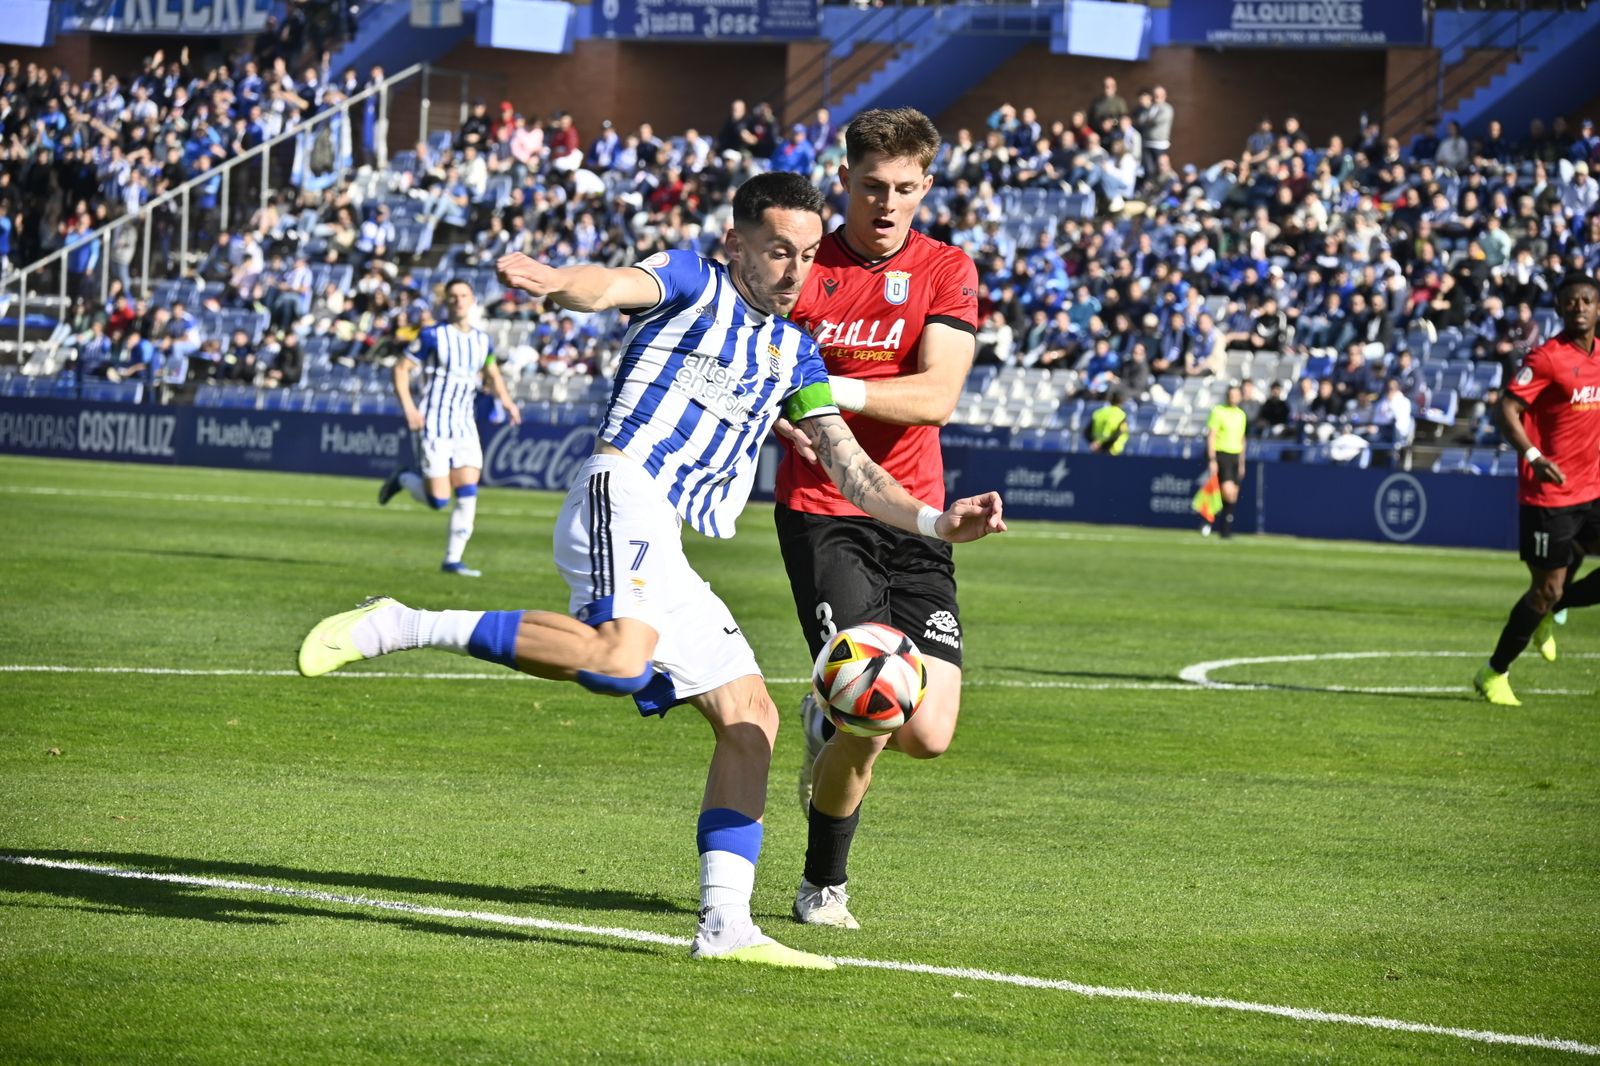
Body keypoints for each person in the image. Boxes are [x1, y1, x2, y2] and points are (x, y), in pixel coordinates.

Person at [297, 172, 1006, 969]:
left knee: (751, 718)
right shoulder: (690, 279)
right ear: (735, 243)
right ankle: (401, 622)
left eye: (808, 255)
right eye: (778, 250)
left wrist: (936, 520)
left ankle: (725, 924)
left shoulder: (794, 352)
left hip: (666, 538)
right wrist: (562, 283)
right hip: (623, 486)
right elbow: (611, 285)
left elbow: (851, 468)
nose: (795, 270)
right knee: (619, 658)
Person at [770, 107, 982, 932]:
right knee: (877, 705)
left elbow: (938, 396)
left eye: (903, 189)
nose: (886, 204)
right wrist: (784, 417)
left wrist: (825, 394)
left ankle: (822, 711)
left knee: (929, 733)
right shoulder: (805, 268)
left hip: (918, 516)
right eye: (870, 187)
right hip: (823, 512)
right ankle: (823, 887)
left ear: (925, 185)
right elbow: (759, 380)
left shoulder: (945, 268)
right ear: (844, 181)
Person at [1474, 272, 1600, 706]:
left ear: (1598, 308)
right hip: (1550, 496)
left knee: (1557, 591)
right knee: (1544, 589)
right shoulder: (1547, 358)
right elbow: (1505, 408)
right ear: (1560, 309)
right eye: (1571, 302)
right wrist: (1533, 457)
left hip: (1593, 490)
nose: (1579, 307)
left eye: (1587, 300)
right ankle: (1494, 672)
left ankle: (1556, 609)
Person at [377, 279, 521, 577]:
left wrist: (507, 401)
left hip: (465, 426)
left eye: (463, 295)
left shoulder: (483, 341)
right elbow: (400, 369)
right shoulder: (432, 336)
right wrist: (409, 407)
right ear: (446, 302)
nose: (458, 301)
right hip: (434, 424)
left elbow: (491, 372)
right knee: (438, 500)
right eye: (453, 296)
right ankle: (403, 478)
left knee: (468, 492)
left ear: (472, 301)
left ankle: (453, 560)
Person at [1203, 383, 1248, 537]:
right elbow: (1212, 435)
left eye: (1236, 395)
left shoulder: (1241, 414)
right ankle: (1208, 518)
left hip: (1235, 455)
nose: (1233, 397)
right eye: (1231, 395)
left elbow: (1242, 439)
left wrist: (1242, 462)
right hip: (1222, 454)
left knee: (1233, 493)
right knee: (1227, 491)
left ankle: (1225, 530)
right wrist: (1212, 458)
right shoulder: (1218, 411)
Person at [1088, 388, 1130, 454]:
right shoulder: (1122, 415)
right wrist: (1104, 446)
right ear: (1122, 402)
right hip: (1113, 451)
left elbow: (1087, 432)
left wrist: (1095, 444)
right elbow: (1118, 434)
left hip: (1096, 450)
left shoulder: (1099, 412)